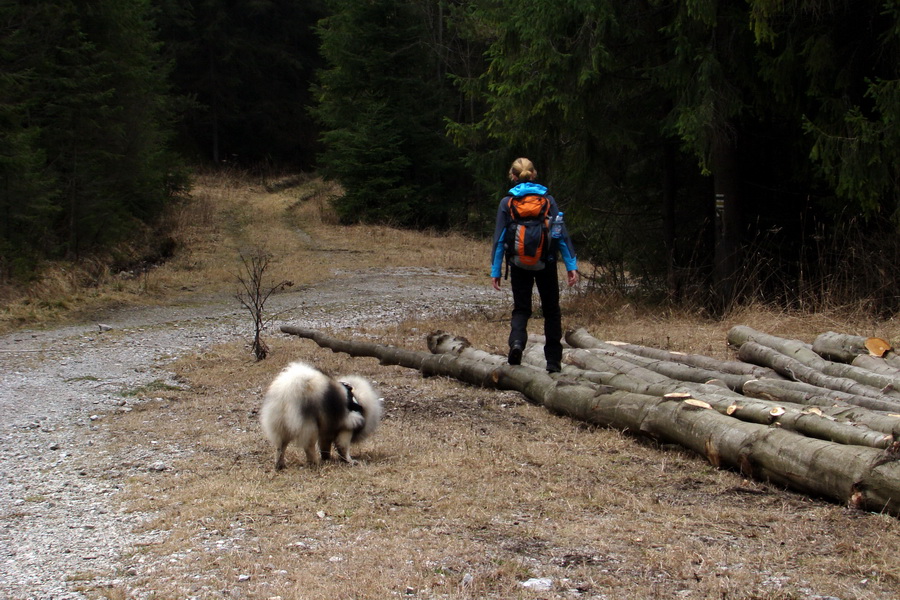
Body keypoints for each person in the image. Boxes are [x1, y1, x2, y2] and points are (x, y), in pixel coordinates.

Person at [491, 157, 578, 373]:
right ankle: (553, 362)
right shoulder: (547, 200)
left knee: (521, 309)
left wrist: (496, 271)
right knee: (551, 312)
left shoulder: (507, 203)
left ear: (513, 176)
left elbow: (500, 239)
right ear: (534, 174)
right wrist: (570, 265)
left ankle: (517, 344)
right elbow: (560, 234)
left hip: (518, 263)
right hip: (546, 262)